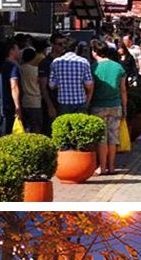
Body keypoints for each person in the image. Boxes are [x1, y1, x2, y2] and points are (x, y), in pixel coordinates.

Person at [89, 39, 127, 176]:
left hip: (98, 105)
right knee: (113, 138)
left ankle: (102, 167)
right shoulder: (118, 67)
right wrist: (125, 106)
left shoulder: (93, 67)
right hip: (115, 105)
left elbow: (90, 88)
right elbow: (123, 90)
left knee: (101, 139)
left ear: (94, 52)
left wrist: (87, 104)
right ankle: (111, 167)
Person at [48, 38, 94, 116]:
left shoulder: (55, 62)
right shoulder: (84, 62)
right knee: (79, 126)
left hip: (63, 101)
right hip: (80, 100)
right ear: (76, 48)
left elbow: (51, 85)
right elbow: (89, 84)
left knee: (65, 126)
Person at [0, 40, 22, 135]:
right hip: (10, 104)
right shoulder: (13, 67)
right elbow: (14, 86)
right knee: (10, 130)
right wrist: (17, 106)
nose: (19, 51)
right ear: (11, 51)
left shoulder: (3, 65)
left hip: (2, 103)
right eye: (17, 49)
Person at [19, 48, 44, 132]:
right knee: (36, 126)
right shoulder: (35, 70)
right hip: (35, 101)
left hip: (24, 101)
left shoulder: (20, 68)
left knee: (26, 126)